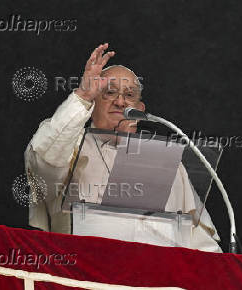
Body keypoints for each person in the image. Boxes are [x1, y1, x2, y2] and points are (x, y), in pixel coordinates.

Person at [24, 43, 222, 253]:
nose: (120, 102)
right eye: (109, 93)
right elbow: (46, 158)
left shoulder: (168, 163)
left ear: (139, 110)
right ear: (93, 104)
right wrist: (82, 96)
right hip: (86, 274)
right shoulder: (71, 144)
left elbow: (199, 241)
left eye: (129, 95)